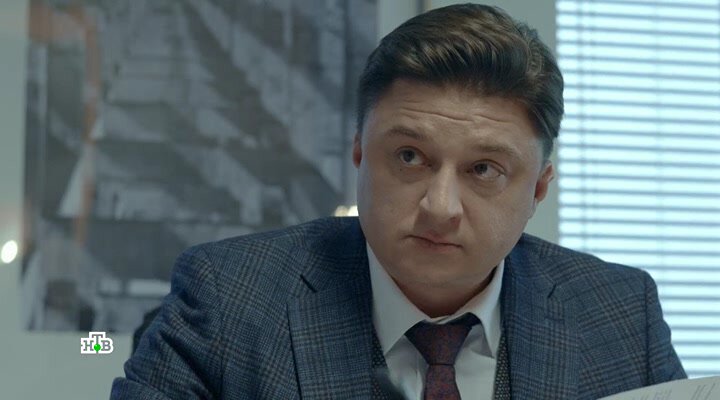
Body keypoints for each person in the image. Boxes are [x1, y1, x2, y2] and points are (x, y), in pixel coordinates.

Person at [111, 4, 686, 399]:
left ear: (537, 189)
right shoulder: (228, 298)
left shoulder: (619, 315)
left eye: (484, 170)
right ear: (359, 154)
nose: (440, 206)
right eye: (410, 157)